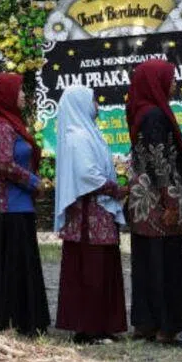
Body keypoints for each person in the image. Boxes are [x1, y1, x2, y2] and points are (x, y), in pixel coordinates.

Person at [126, 59, 182, 348]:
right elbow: (159, 162)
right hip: (159, 202)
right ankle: (170, 328)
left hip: (143, 202)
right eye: (170, 79)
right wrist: (170, 202)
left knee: (148, 260)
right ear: (155, 82)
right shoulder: (156, 115)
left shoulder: (139, 111)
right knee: (168, 263)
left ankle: (147, 323)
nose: (174, 84)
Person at [0, 73, 50, 336]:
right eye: (19, 91)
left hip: (17, 205)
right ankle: (8, 320)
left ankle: (19, 319)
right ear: (4, 94)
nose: (24, 95)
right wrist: (33, 182)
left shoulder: (10, 124)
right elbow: (4, 165)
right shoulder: (2, 127)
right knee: (11, 266)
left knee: (18, 264)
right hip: (8, 208)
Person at [53, 86, 128, 344]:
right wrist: (117, 189)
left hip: (99, 213)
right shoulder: (77, 137)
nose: (98, 105)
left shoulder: (89, 133)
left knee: (104, 267)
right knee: (90, 270)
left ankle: (104, 325)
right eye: (94, 100)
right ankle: (88, 329)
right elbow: (87, 175)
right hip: (87, 215)